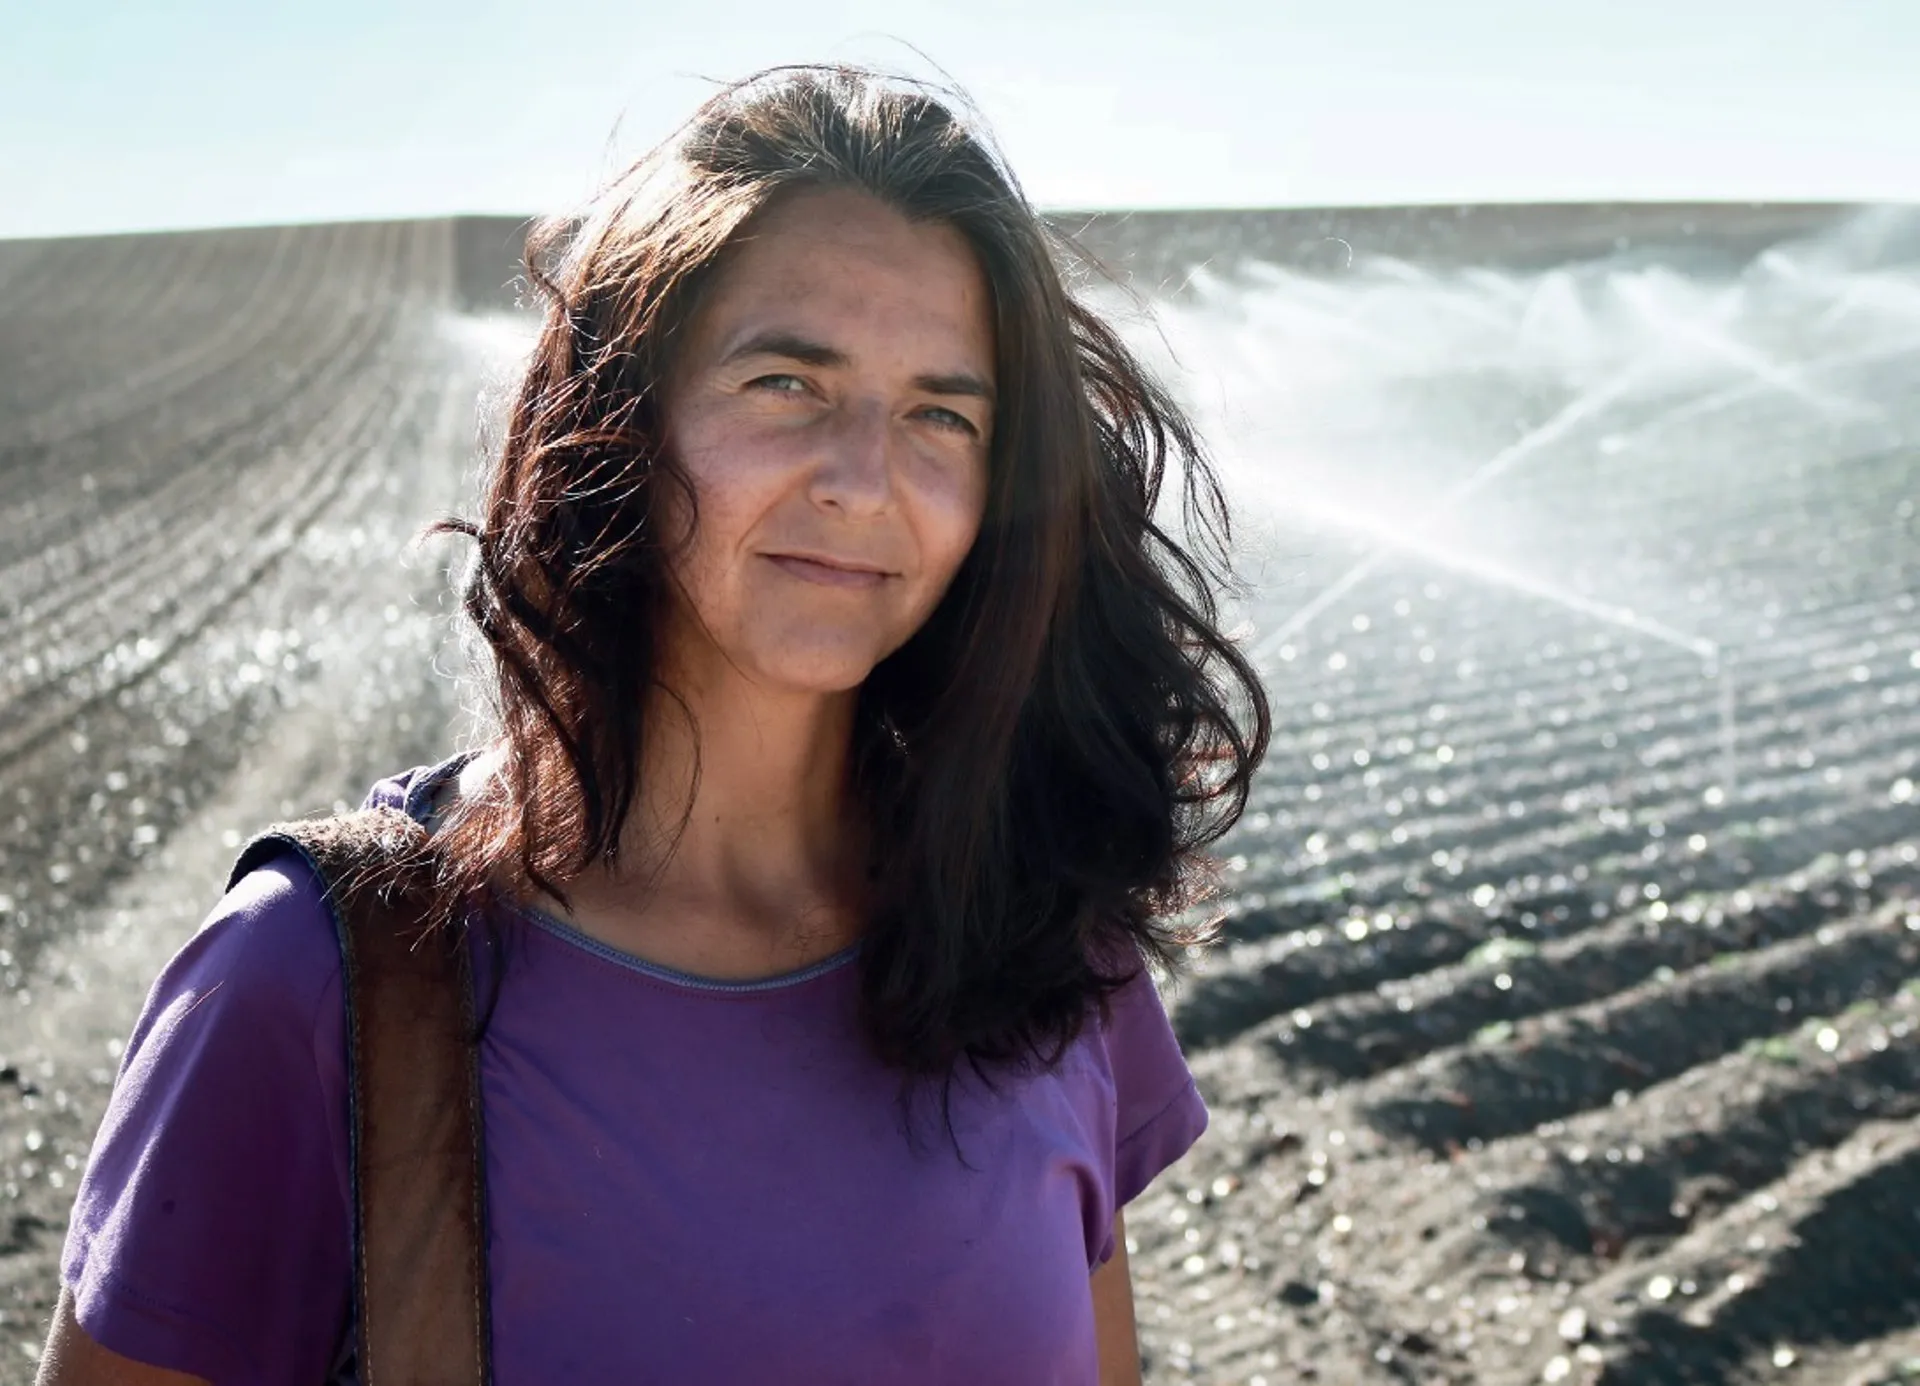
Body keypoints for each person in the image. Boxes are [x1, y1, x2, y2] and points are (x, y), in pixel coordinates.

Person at [37, 63, 1269, 1385]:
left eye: (940, 413)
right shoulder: (317, 981)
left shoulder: (1041, 943)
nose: (866, 479)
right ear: (619, 418)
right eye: (786, 382)